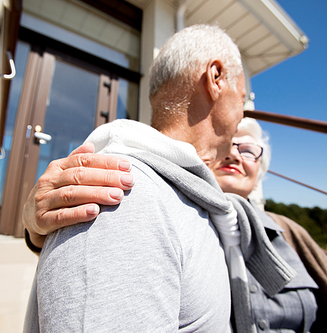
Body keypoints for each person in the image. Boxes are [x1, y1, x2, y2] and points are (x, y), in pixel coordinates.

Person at [23, 25, 295, 333]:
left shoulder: (190, 200)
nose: (240, 117)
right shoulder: (127, 197)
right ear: (216, 78)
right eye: (242, 100)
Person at [24, 118, 327, 332]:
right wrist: (36, 231)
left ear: (259, 170)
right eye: (228, 145)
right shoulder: (177, 213)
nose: (235, 154)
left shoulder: (289, 232)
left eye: (248, 150)